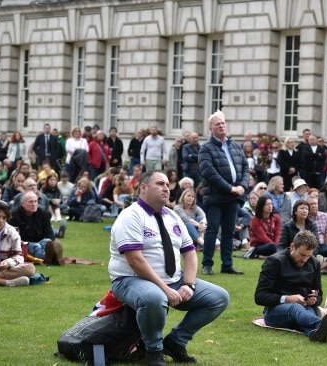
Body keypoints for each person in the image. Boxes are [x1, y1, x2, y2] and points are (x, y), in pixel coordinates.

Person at [108, 171, 229, 365]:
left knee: (219, 298)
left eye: (167, 184)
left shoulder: (172, 216)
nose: (166, 187)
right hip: (131, 280)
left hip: (174, 280)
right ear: (143, 188)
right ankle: (153, 350)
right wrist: (165, 290)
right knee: (155, 298)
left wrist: (188, 284)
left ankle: (175, 342)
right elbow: (135, 261)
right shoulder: (130, 216)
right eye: (159, 183)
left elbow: (190, 252)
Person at [254, 230, 327, 342]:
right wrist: (288, 299)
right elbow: (260, 296)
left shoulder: (314, 263)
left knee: (306, 313)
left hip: (304, 308)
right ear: (292, 246)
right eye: (302, 255)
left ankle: (315, 333)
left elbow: (318, 293)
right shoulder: (275, 261)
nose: (304, 259)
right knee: (296, 308)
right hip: (275, 311)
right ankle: (325, 325)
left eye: (308, 256)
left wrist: (313, 299)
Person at [198, 110, 248, 276]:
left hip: (233, 196)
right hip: (215, 196)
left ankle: (227, 264)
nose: (221, 126)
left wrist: (242, 186)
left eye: (223, 123)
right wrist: (230, 188)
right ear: (211, 129)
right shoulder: (206, 148)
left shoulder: (235, 146)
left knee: (228, 231)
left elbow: (245, 167)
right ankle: (207, 264)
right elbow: (208, 172)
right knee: (212, 230)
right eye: (217, 124)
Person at [8, 191, 65, 265]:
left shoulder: (44, 214)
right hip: (24, 244)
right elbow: (12, 236)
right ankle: (51, 257)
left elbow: (49, 233)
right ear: (22, 204)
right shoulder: (14, 215)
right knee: (35, 246)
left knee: (48, 241)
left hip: (41, 241)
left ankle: (48, 257)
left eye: (35, 201)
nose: (34, 204)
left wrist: (50, 241)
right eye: (30, 202)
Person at [248, 195, 281, 259]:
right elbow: (263, 237)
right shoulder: (255, 220)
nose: (270, 206)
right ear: (261, 206)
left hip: (274, 244)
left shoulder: (276, 217)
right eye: (267, 204)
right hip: (258, 245)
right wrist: (276, 247)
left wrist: (277, 245)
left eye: (271, 204)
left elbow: (278, 234)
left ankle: (270, 255)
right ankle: (256, 254)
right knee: (272, 247)